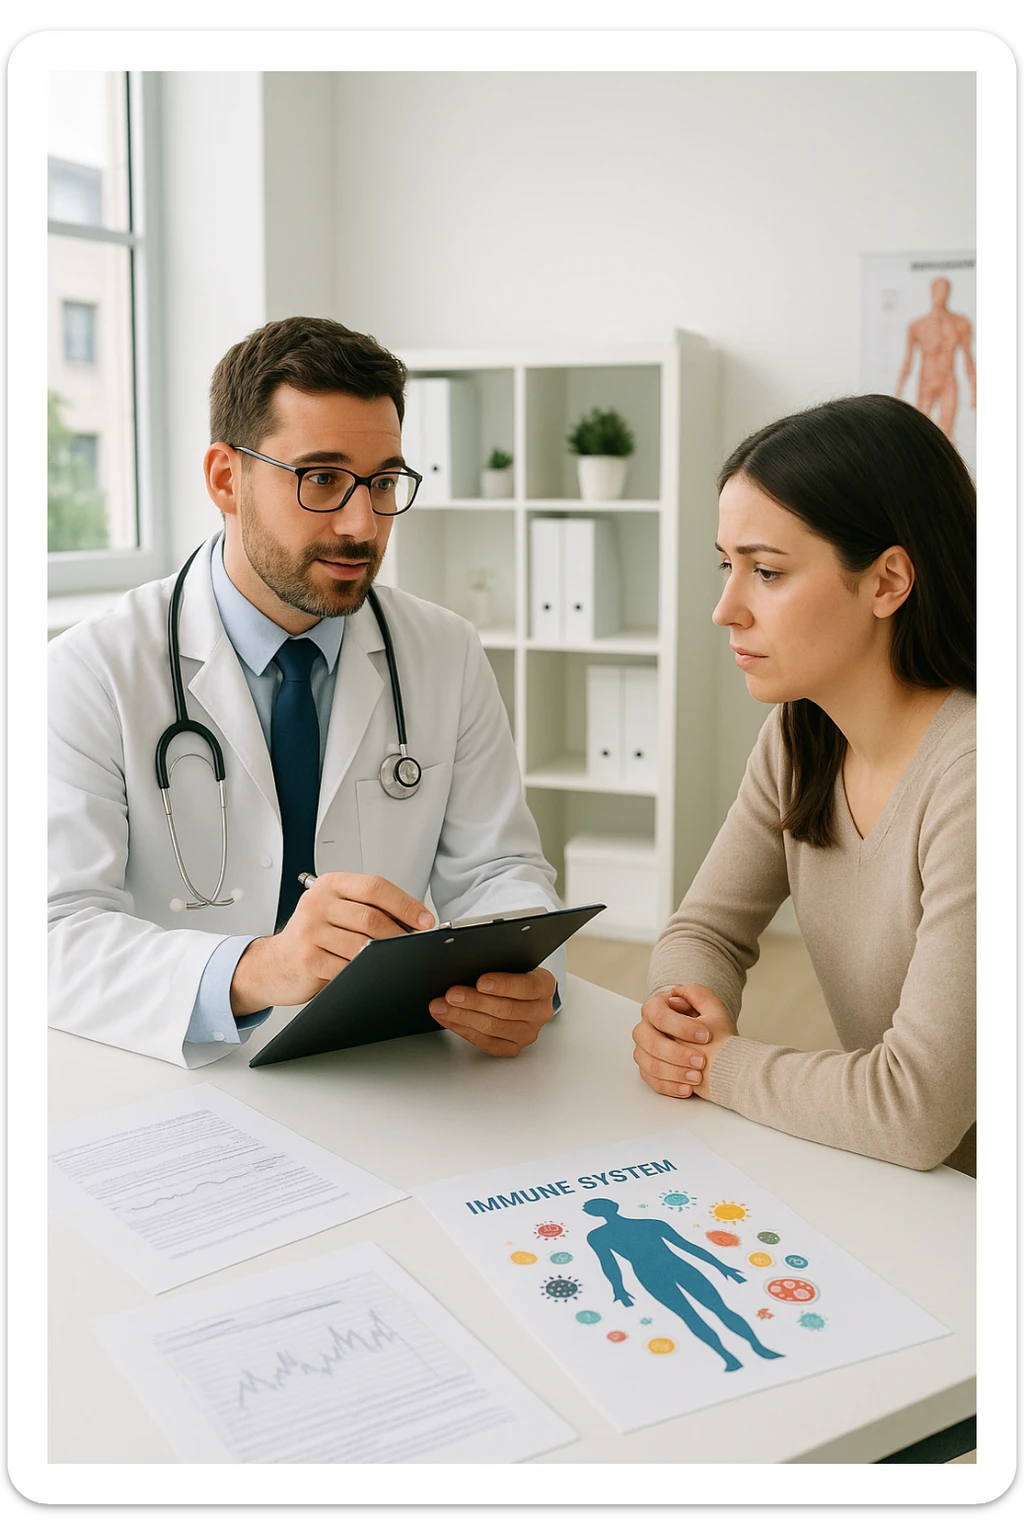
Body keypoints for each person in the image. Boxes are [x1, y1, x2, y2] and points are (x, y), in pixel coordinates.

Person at [48, 316, 563, 1068]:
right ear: (227, 478)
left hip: (387, 1061)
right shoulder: (89, 670)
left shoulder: (443, 651)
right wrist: (257, 970)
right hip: (174, 1073)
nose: (362, 525)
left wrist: (520, 981)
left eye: (384, 482)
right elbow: (54, 933)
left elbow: (498, 871)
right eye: (322, 478)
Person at [631, 394, 976, 1175]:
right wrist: (682, 1011)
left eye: (768, 571)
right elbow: (706, 932)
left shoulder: (980, 779)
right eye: (728, 565)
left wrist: (712, 1065)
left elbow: (912, 1110)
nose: (726, 610)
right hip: (921, 1199)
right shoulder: (801, 734)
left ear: (888, 581)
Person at [582, 1198, 783, 1373]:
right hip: (660, 1272)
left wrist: (720, 1265)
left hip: (667, 1270)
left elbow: (685, 1245)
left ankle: (747, 1350)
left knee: (706, 1312)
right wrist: (618, 1288)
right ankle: (733, 1355)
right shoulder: (608, 1234)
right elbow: (609, 1263)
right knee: (700, 1313)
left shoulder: (645, 1225)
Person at [894, 275, 977, 443]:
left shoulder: (960, 324)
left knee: (947, 432)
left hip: (948, 381)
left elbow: (968, 358)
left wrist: (975, 391)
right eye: (938, 290)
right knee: (920, 429)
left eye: (945, 290)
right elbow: (908, 361)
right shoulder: (918, 325)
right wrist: (898, 392)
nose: (941, 294)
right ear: (932, 292)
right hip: (926, 381)